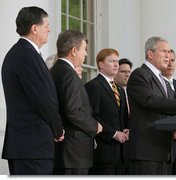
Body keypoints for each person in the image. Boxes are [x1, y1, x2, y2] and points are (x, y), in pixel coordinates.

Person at [1, 6, 64, 175]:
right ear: (34, 29)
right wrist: (58, 128)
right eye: (46, 25)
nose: (50, 29)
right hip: (33, 146)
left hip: (26, 145)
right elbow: (42, 98)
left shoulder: (18, 53)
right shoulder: (27, 55)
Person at [127, 36, 176, 175]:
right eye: (164, 52)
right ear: (150, 54)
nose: (168, 56)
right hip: (146, 151)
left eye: (169, 52)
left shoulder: (163, 81)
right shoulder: (139, 75)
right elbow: (151, 100)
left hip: (164, 151)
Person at [50, 30, 103, 175]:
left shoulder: (55, 71)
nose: (86, 54)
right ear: (74, 51)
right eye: (84, 49)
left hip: (65, 151)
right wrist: (95, 126)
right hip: (73, 153)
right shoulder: (68, 74)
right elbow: (73, 111)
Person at [85, 48, 129, 175]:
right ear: (101, 64)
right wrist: (114, 133)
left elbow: (124, 116)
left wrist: (128, 128)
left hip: (121, 153)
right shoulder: (93, 86)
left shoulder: (120, 89)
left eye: (117, 61)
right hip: (104, 151)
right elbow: (93, 116)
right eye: (112, 61)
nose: (116, 64)